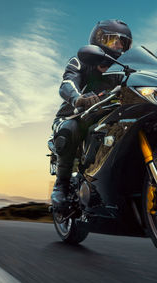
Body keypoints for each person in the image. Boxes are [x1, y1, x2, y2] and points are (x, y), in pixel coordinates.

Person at [51, 19, 132, 213]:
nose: (119, 45)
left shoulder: (124, 66)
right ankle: (61, 186)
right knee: (69, 129)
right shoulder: (81, 61)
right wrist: (78, 99)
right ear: (98, 39)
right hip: (76, 114)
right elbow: (67, 83)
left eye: (123, 42)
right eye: (113, 40)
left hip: (110, 113)